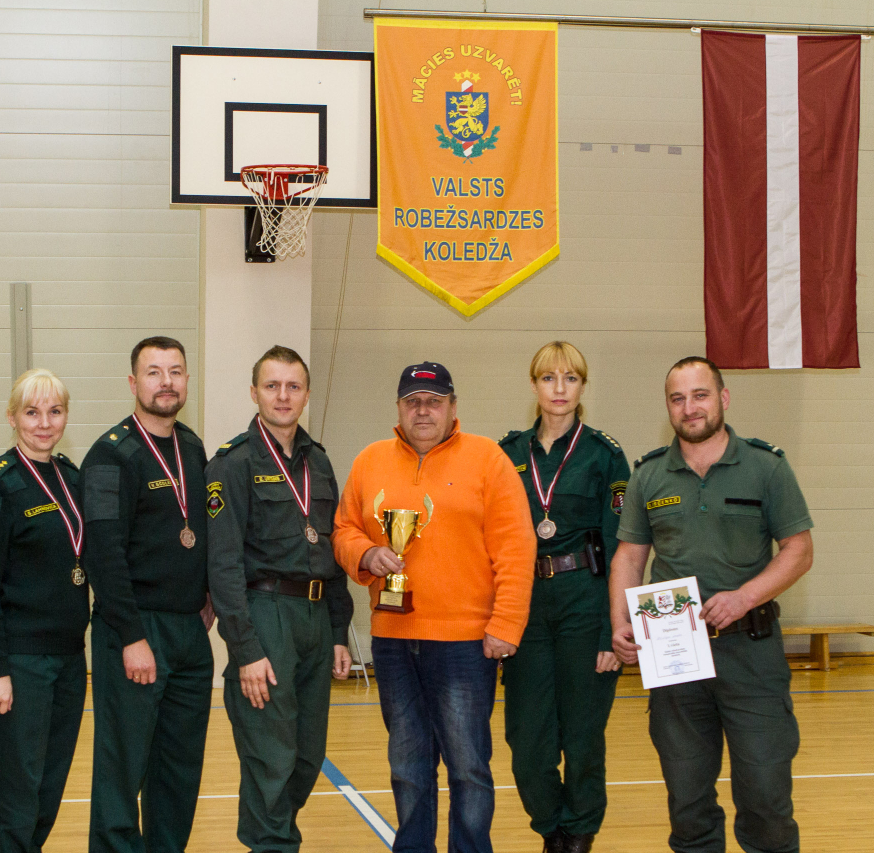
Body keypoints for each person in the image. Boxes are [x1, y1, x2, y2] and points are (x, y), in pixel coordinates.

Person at [610, 357, 814, 853]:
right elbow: (629, 557)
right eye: (677, 399)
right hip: (675, 656)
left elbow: (799, 550)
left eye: (700, 395)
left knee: (765, 792)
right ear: (668, 407)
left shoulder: (766, 466)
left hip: (751, 652)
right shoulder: (648, 475)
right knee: (687, 797)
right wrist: (620, 623)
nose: (690, 408)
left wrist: (746, 597)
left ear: (723, 398)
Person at [333, 361, 536, 853]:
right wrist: (365, 553)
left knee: (468, 767)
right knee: (407, 766)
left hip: (465, 644)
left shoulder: (488, 460)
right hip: (393, 641)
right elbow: (343, 529)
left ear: (452, 407)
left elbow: (516, 548)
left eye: (434, 401)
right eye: (412, 402)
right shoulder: (369, 460)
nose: (422, 411)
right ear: (399, 408)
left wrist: (506, 624)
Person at [206, 345, 355, 853]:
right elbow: (223, 565)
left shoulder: (320, 461)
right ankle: (272, 844)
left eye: (293, 386)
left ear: (307, 394)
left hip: (315, 615)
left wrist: (339, 632)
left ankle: (271, 835)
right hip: (265, 616)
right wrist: (245, 649)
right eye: (272, 386)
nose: (283, 396)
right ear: (255, 393)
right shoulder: (232, 464)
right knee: (271, 756)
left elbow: (333, 549)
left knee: (306, 757)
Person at [82, 336, 215, 853]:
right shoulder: (109, 455)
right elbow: (102, 553)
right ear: (133, 382)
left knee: (178, 770)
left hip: (190, 632)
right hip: (135, 630)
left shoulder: (193, 447)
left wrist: (206, 591)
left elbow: (199, 529)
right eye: (154, 372)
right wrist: (131, 635)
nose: (166, 382)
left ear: (187, 381)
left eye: (175, 372)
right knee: (122, 768)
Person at [498, 342, 629, 853]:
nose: (559, 388)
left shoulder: (604, 455)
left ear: (582, 386)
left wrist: (611, 630)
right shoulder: (506, 454)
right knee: (527, 743)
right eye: (549, 378)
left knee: (582, 736)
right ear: (533, 385)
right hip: (525, 603)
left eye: (570, 378)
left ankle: (577, 834)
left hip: (585, 600)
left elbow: (622, 547)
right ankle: (551, 825)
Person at [0, 369, 90, 853]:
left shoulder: (71, 478)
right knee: (19, 787)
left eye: (54, 412)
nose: (44, 423)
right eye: (32, 412)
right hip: (20, 662)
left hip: (70, 658)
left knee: (51, 783)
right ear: (12, 417)